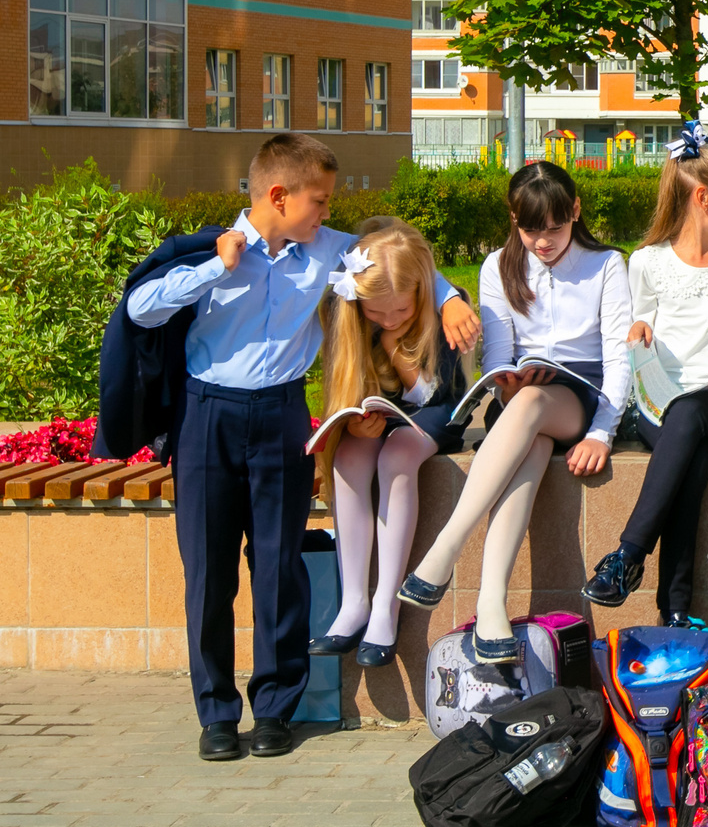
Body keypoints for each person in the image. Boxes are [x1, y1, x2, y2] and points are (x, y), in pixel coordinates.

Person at [124, 133, 479, 763]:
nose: (326, 213)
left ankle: (275, 709)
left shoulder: (331, 253)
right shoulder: (212, 249)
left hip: (283, 415)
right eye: (318, 201)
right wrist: (217, 266)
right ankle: (216, 714)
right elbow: (140, 309)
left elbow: (404, 262)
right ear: (279, 195)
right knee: (207, 571)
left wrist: (450, 300)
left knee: (278, 565)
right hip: (206, 417)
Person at [398, 161, 628, 663]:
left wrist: (602, 434)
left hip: (582, 397)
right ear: (513, 219)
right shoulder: (496, 266)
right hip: (524, 404)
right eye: (530, 230)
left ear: (575, 211)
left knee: (532, 408)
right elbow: (499, 355)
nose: (542, 242)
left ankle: (446, 547)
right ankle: (491, 606)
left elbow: (618, 360)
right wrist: (505, 383)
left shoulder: (606, 264)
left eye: (554, 228)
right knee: (530, 438)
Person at [582, 125, 708, 624]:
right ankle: (676, 611)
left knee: (691, 419)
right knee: (692, 454)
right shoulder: (646, 262)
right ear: (703, 198)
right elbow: (639, 323)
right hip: (661, 402)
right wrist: (640, 327)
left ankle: (628, 555)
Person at [311, 220, 465, 669]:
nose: (390, 320)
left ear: (421, 292)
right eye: (377, 314)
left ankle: (386, 603)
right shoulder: (347, 311)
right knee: (349, 455)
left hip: (435, 412)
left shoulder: (442, 311)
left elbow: (429, 395)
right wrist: (357, 425)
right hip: (378, 412)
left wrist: (395, 344)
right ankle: (353, 599)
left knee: (397, 455)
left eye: (400, 311)